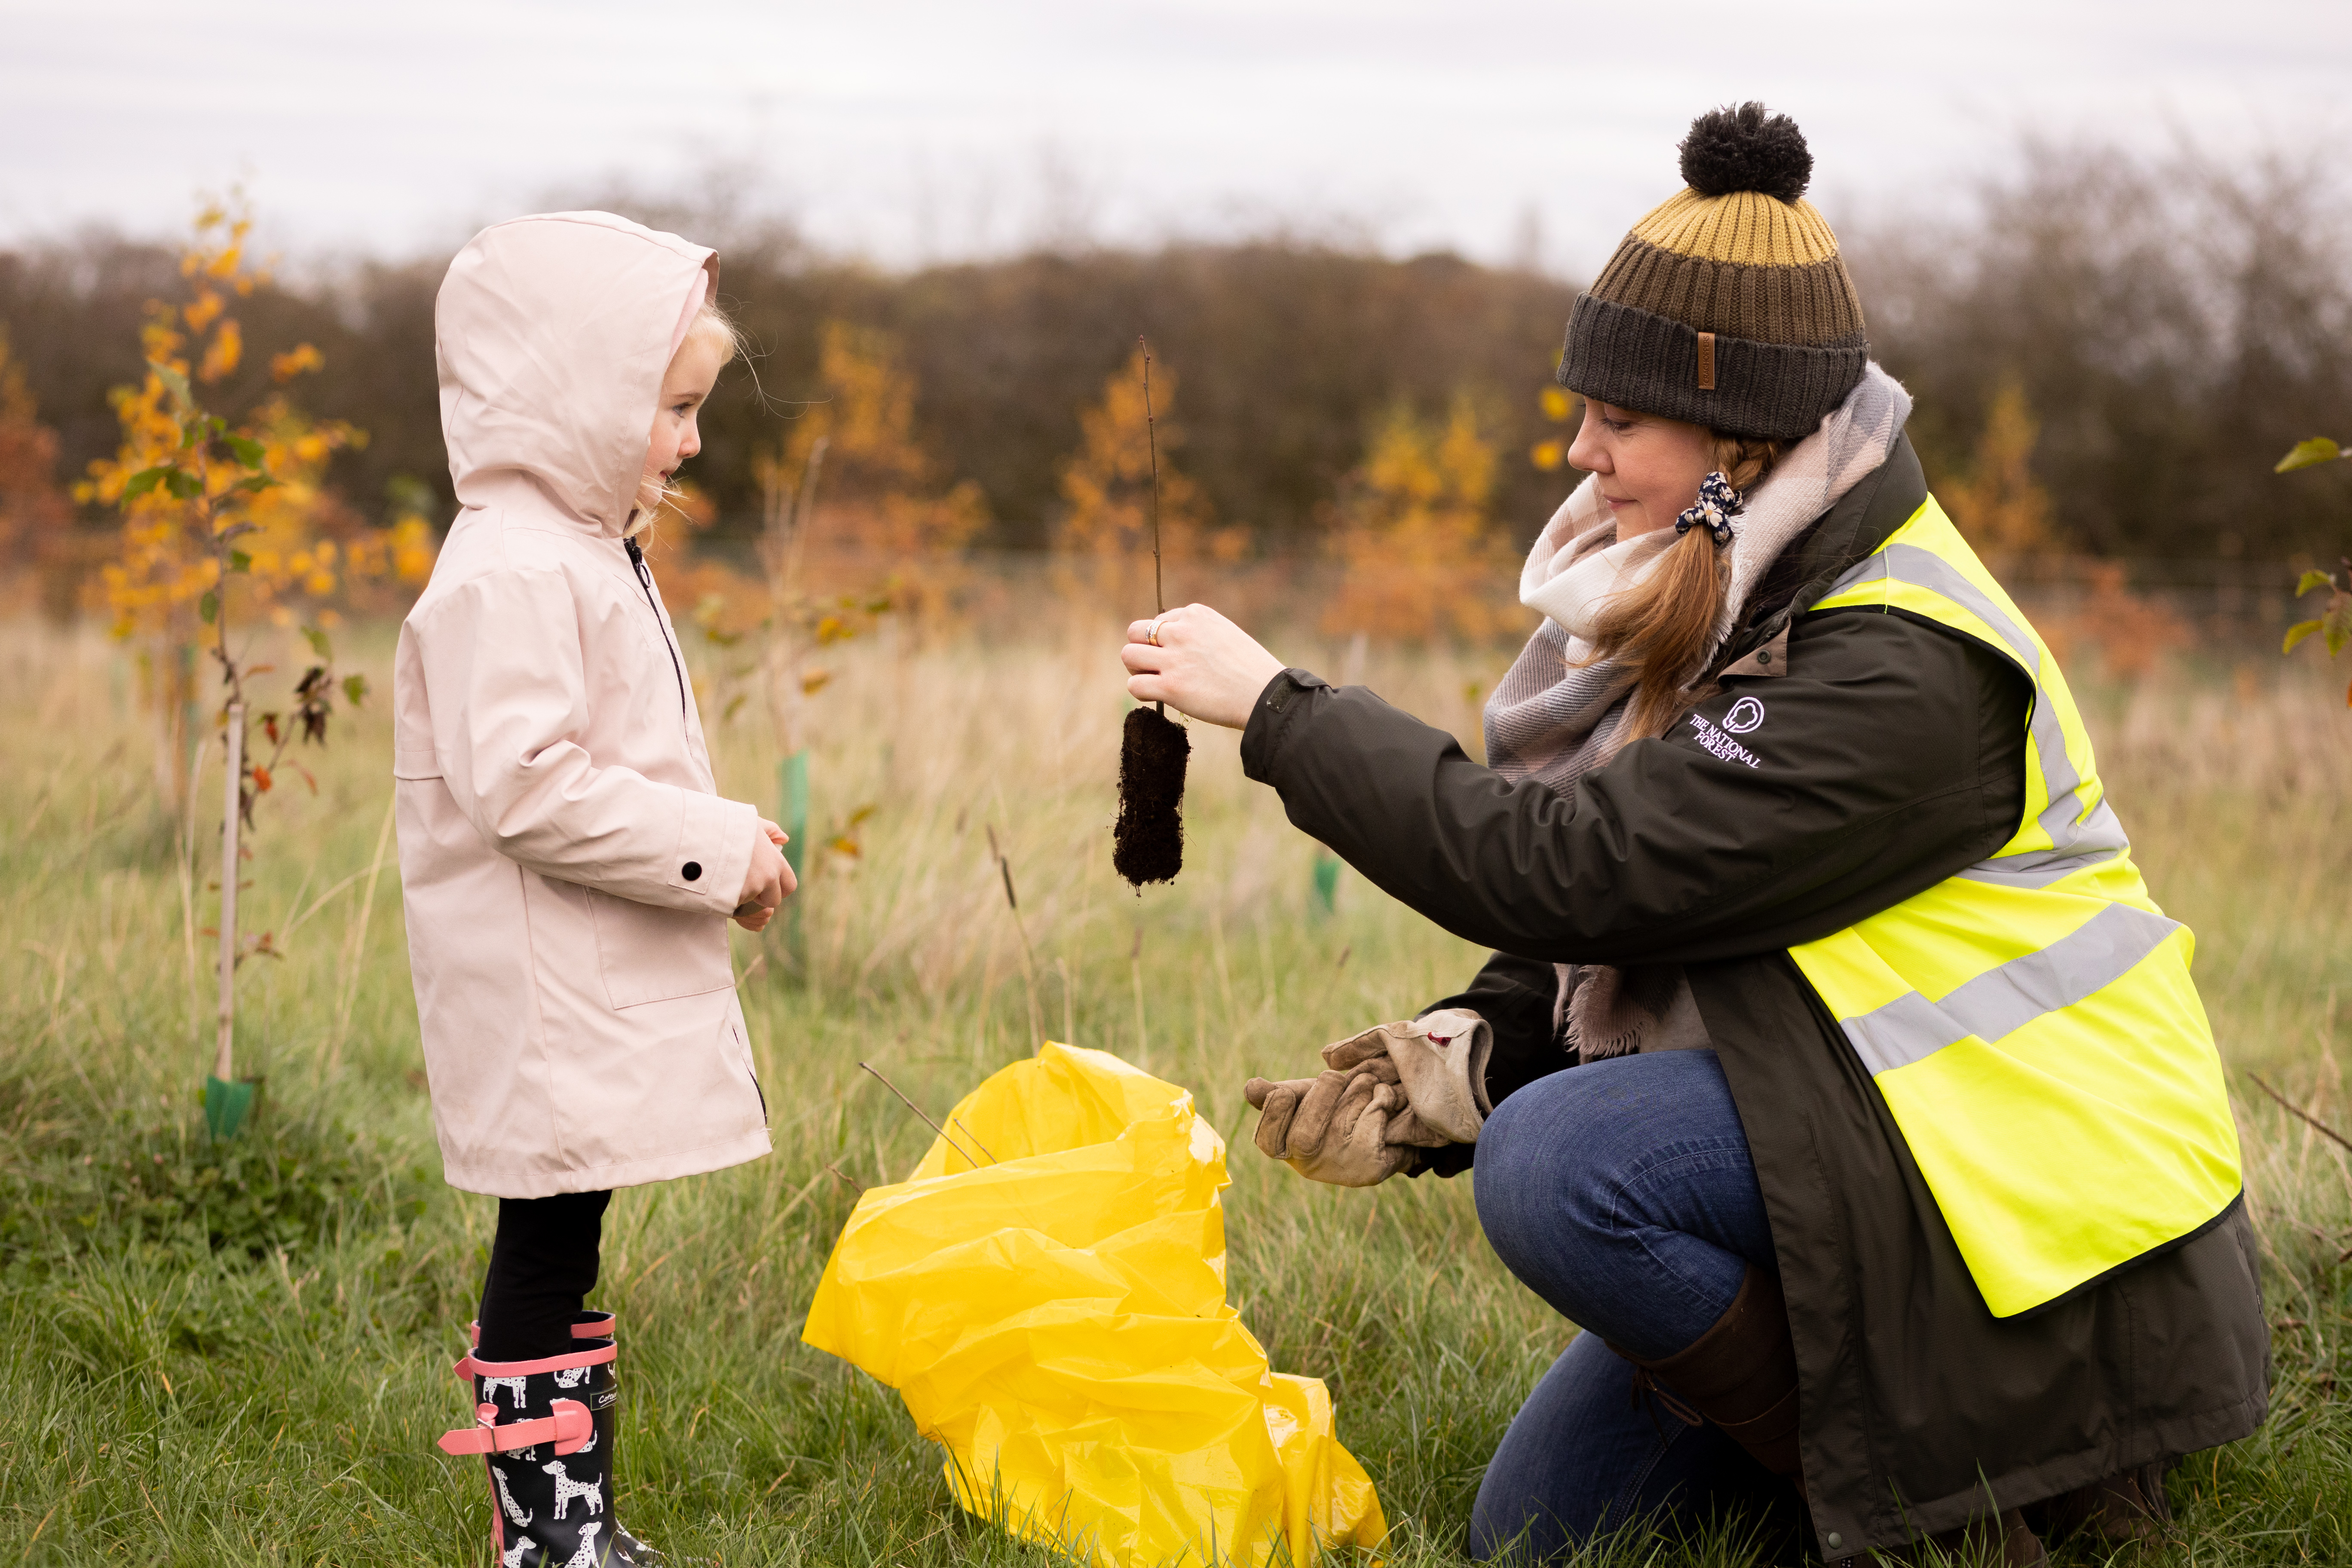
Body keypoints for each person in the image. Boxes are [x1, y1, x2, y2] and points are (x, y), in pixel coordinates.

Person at [1121, 105, 2267, 1567]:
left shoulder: (1900, 664)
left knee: (1557, 1165)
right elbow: (1661, 899)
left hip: (2038, 1220)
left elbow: (1580, 871)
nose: (1582, 452)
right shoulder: (1735, 586)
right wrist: (1468, 1051)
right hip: (1881, 1147)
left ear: (1742, 437)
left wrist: (1282, 713)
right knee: (1541, 1536)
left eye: (1620, 420)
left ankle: (1958, 1518)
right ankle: (1918, 1454)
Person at [393, 210, 795, 1566]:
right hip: (546, 984)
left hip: (579, 971)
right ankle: (549, 1541)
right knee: (548, 1237)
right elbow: (526, 784)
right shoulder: (510, 569)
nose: (691, 441)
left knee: (567, 1233)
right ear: (579, 396)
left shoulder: (573, 547)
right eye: (671, 409)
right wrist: (713, 849)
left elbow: (600, 759)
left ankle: (575, 1525)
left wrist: (718, 847)